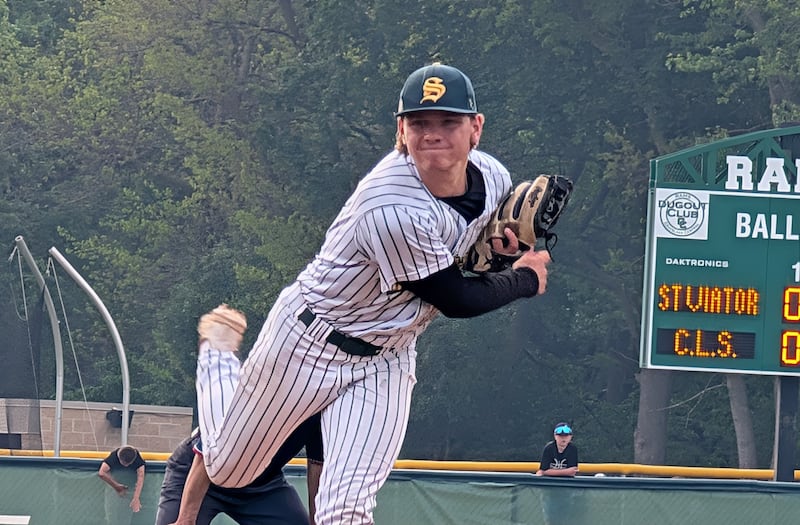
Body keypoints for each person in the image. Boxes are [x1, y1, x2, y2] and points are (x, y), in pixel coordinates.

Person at [195, 62, 553, 524]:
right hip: (307, 342)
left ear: (475, 128)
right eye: (420, 123)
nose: (433, 134)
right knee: (228, 471)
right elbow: (457, 300)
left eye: (449, 121)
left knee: (345, 510)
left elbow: (467, 262)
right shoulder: (390, 203)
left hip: (387, 357)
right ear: (401, 132)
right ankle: (217, 357)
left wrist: (502, 256)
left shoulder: (495, 179)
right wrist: (524, 278)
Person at [156, 414, 323, 525]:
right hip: (203, 473)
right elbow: (209, 450)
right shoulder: (263, 384)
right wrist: (186, 519)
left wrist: (317, 521)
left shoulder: (325, 402)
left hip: (261, 484)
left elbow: (317, 465)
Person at [98, 445, 146, 522]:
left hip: (130, 488)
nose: (127, 466)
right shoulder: (113, 457)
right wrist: (116, 486)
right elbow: (101, 473)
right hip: (113, 488)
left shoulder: (137, 458)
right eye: (124, 463)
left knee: (126, 516)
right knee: (111, 514)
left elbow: (141, 476)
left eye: (129, 464)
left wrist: (136, 497)